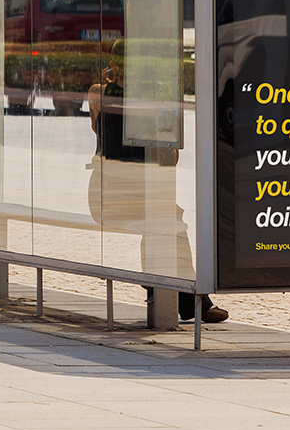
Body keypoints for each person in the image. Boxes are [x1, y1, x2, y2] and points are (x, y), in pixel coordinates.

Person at [87, 40, 229, 324]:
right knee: (168, 220)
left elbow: (98, 128)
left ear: (113, 66)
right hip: (124, 194)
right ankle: (184, 299)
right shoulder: (149, 104)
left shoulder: (97, 94)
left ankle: (164, 291)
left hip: (103, 193)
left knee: (164, 218)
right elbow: (171, 159)